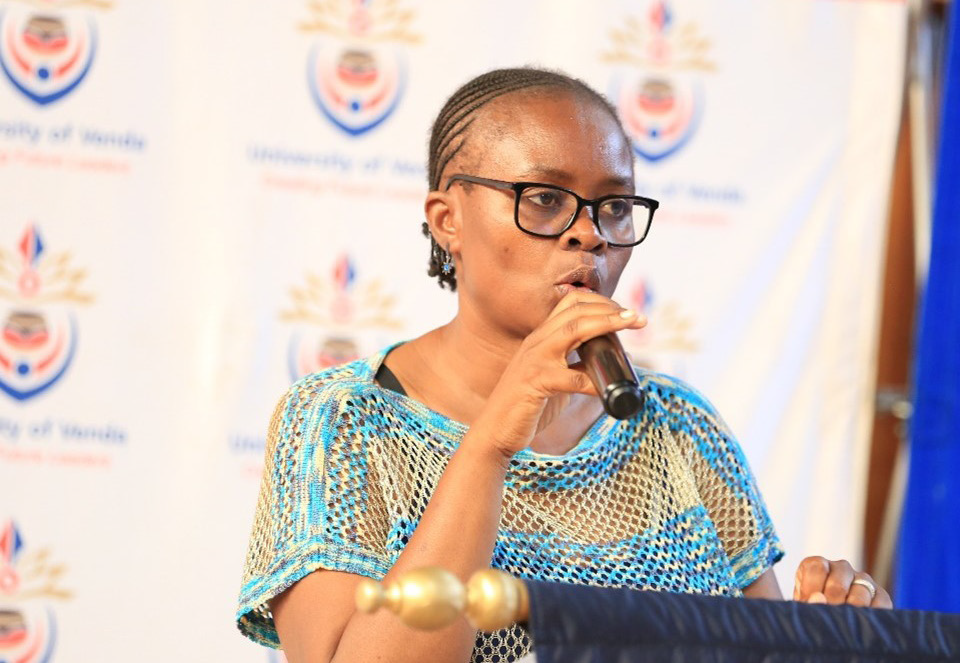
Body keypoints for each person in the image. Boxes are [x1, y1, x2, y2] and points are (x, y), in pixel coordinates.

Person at [237, 67, 892, 663]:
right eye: (545, 198)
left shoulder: (678, 424)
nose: (590, 233)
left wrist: (830, 643)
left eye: (613, 206)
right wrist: (492, 442)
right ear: (447, 220)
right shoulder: (342, 420)